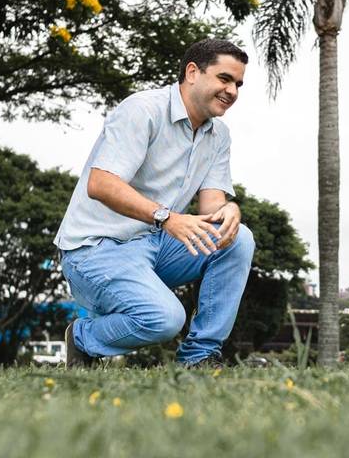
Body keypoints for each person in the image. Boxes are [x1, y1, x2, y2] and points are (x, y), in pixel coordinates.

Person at [55, 39, 255, 368]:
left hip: (152, 242)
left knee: (238, 238)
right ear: (193, 72)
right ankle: (83, 338)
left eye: (238, 84)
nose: (232, 91)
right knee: (165, 319)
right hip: (93, 250)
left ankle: (200, 356)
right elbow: (100, 183)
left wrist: (230, 210)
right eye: (224, 78)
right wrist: (166, 218)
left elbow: (211, 209)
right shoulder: (143, 110)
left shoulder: (218, 135)